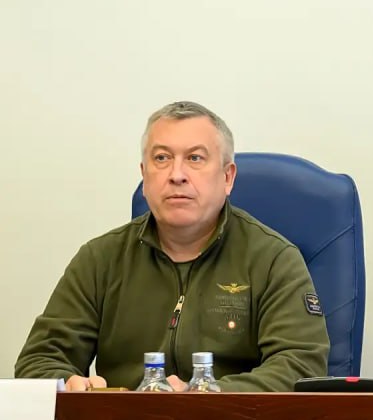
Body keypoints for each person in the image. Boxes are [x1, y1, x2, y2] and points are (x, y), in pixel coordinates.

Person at [14, 101, 329, 392]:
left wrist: (205, 396)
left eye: (195, 158)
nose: (177, 175)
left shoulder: (273, 259)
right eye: (162, 158)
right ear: (144, 175)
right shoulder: (101, 259)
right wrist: (67, 384)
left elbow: (300, 366)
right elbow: (39, 360)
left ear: (227, 177)